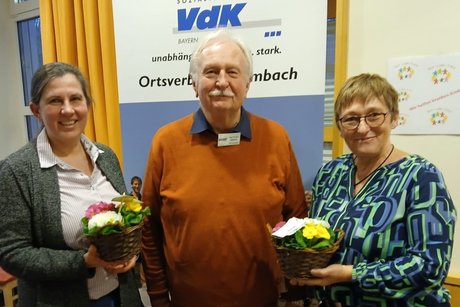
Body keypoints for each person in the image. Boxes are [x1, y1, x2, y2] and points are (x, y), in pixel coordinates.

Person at [141, 30, 308, 306]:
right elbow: (149, 226)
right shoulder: (165, 141)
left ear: (248, 83)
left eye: (232, 72)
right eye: (210, 72)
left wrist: (296, 291)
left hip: (262, 300)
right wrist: (158, 296)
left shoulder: (277, 137)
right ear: (194, 83)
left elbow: (297, 219)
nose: (222, 82)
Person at [290, 73, 456, 306]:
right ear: (339, 127)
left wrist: (352, 274)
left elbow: (430, 267)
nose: (362, 127)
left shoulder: (421, 176)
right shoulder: (330, 173)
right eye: (351, 119)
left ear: (394, 117)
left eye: (374, 115)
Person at [0, 62, 142, 306]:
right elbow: (12, 254)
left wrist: (130, 252)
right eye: (55, 101)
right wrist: (84, 261)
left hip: (121, 295)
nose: (68, 110)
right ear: (36, 110)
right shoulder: (17, 170)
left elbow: (123, 215)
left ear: (87, 104)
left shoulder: (105, 156)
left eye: (76, 99)